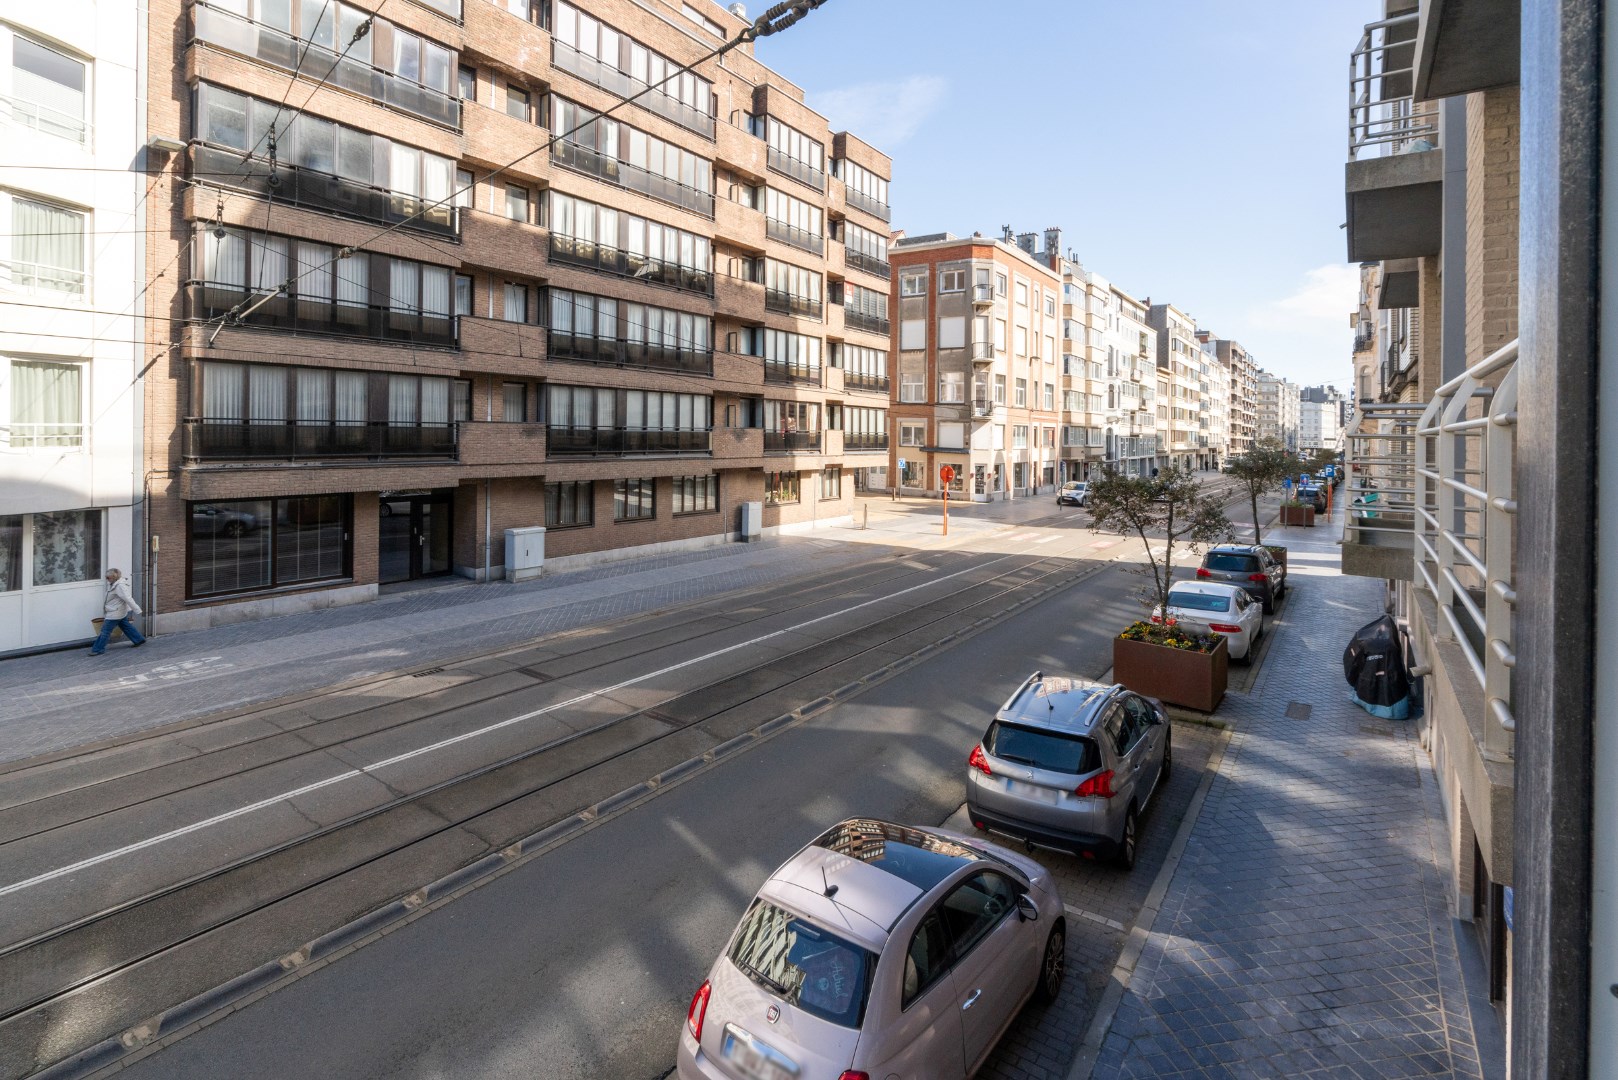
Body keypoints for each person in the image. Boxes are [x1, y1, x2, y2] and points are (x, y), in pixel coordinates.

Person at [90, 568, 146, 655]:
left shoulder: (119, 586)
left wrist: (137, 610)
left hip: (115, 613)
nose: (107, 580)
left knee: (105, 631)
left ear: (114, 577)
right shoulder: (114, 584)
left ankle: (97, 649)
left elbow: (128, 598)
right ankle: (138, 639)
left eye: (108, 578)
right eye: (106, 577)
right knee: (126, 626)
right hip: (118, 611)